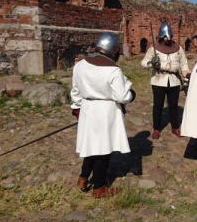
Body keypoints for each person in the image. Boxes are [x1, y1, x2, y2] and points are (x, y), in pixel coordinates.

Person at [70, 32, 136, 198]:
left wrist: (77, 108)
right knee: (103, 150)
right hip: (105, 112)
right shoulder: (113, 70)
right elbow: (122, 96)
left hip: (87, 108)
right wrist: (131, 95)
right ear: (114, 51)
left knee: (91, 146)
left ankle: (83, 178)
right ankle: (99, 188)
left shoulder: (80, 65)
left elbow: (75, 91)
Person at [141, 23, 190, 139]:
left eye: (168, 36)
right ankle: (156, 128)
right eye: (164, 36)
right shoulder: (154, 48)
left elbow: (184, 64)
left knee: (173, 105)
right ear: (161, 36)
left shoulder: (178, 48)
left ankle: (175, 127)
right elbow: (143, 62)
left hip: (174, 80)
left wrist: (187, 77)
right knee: (158, 105)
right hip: (159, 80)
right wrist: (152, 63)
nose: (166, 38)